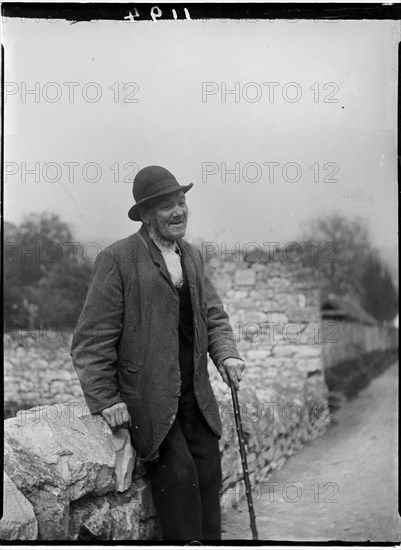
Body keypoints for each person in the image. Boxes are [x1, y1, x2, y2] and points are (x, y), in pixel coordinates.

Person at [70, 165, 245, 541]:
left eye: (182, 202)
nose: (179, 212)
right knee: (180, 486)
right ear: (147, 214)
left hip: (196, 399)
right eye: (167, 206)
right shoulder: (118, 259)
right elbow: (91, 340)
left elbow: (214, 317)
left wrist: (227, 355)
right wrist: (106, 398)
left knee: (210, 477)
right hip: (150, 402)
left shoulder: (192, 257)